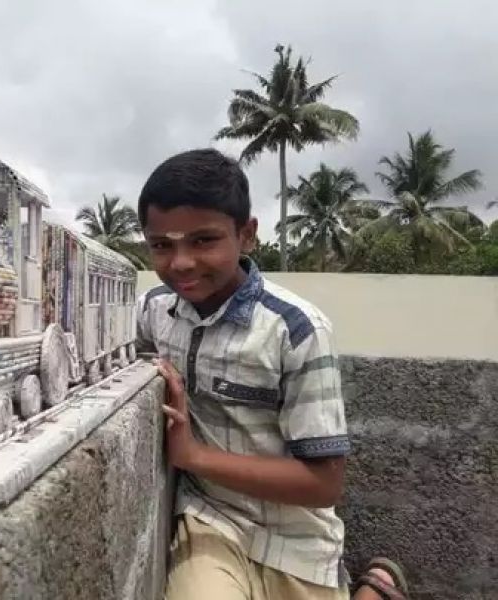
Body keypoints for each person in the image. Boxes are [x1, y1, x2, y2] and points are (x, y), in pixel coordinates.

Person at [134, 148, 410, 600]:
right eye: (162, 245)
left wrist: (192, 456)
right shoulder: (153, 312)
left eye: (203, 240)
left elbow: (324, 483)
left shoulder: (296, 330)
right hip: (210, 521)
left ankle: (373, 588)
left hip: (297, 541)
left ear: (247, 236)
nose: (180, 262)